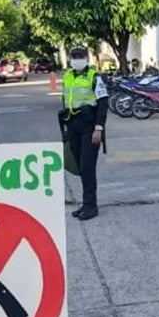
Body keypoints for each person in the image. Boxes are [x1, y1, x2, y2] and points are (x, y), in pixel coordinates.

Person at [59, 47, 108, 221]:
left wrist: (99, 128)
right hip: (73, 126)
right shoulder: (67, 76)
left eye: (80, 57)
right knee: (80, 166)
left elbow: (103, 104)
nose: (76, 59)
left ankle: (91, 206)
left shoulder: (94, 77)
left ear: (86, 59)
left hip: (90, 127)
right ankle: (85, 203)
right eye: (74, 57)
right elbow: (66, 100)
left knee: (87, 167)